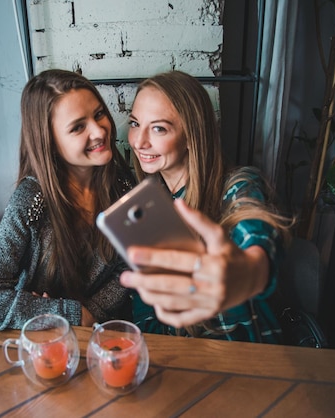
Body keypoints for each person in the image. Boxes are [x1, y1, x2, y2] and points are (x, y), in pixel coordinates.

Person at [120, 70, 292, 343]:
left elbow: (257, 238)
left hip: (246, 355)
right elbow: (146, 310)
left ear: (191, 136)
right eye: (134, 123)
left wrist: (248, 273)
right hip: (178, 360)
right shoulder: (148, 207)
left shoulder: (238, 186)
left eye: (159, 128)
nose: (139, 142)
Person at [0, 69, 136, 331]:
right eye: (78, 127)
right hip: (46, 343)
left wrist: (87, 316)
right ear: (50, 142)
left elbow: (128, 268)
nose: (99, 131)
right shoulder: (32, 199)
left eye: (99, 114)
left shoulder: (122, 184)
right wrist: (66, 313)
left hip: (106, 335)